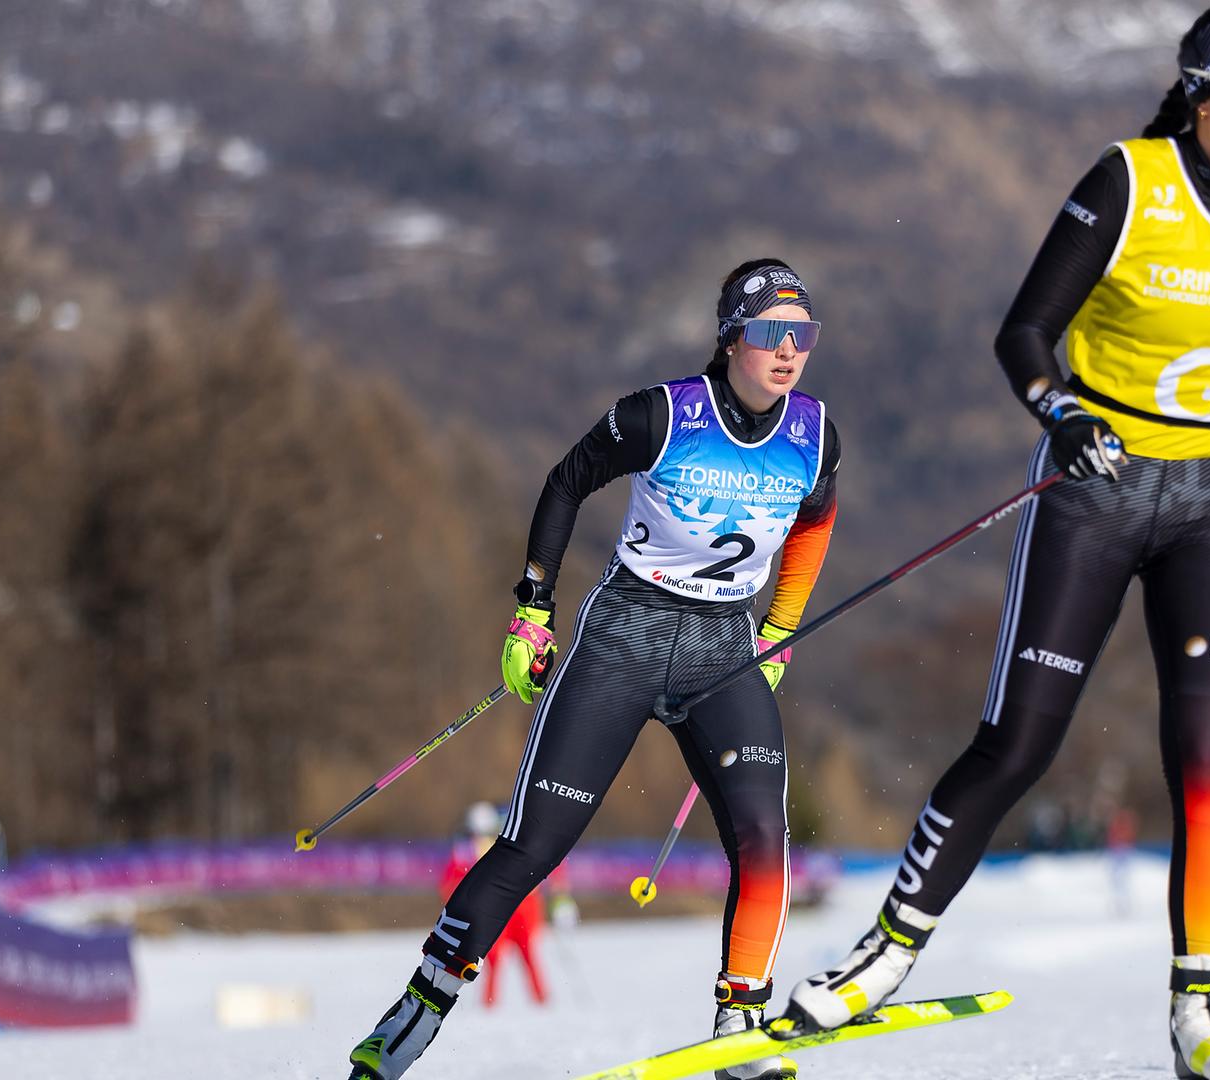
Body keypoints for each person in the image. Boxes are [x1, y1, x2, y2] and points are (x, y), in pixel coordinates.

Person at [780, 6, 1210, 1079]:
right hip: (1097, 490)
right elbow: (1024, 333)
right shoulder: (1129, 183)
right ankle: (881, 957)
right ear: (1203, 95)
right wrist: (1061, 412)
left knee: (1207, 758)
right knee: (1020, 744)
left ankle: (1200, 1014)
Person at [348, 258, 842, 1080]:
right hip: (625, 636)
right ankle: (417, 1010)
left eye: (803, 335)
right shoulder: (664, 415)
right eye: (769, 334)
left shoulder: (814, 434)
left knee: (763, 835)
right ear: (731, 340)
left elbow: (816, 520)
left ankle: (741, 1022)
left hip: (724, 649)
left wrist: (781, 629)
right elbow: (567, 482)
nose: (789, 351)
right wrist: (533, 610)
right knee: (534, 845)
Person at [439, 801, 552, 1008]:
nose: (480, 836)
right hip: (492, 911)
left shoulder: (507, 842)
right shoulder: (464, 850)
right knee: (494, 957)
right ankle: (490, 1003)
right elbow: (451, 882)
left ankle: (540, 1000)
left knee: (527, 954)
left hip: (520, 909)